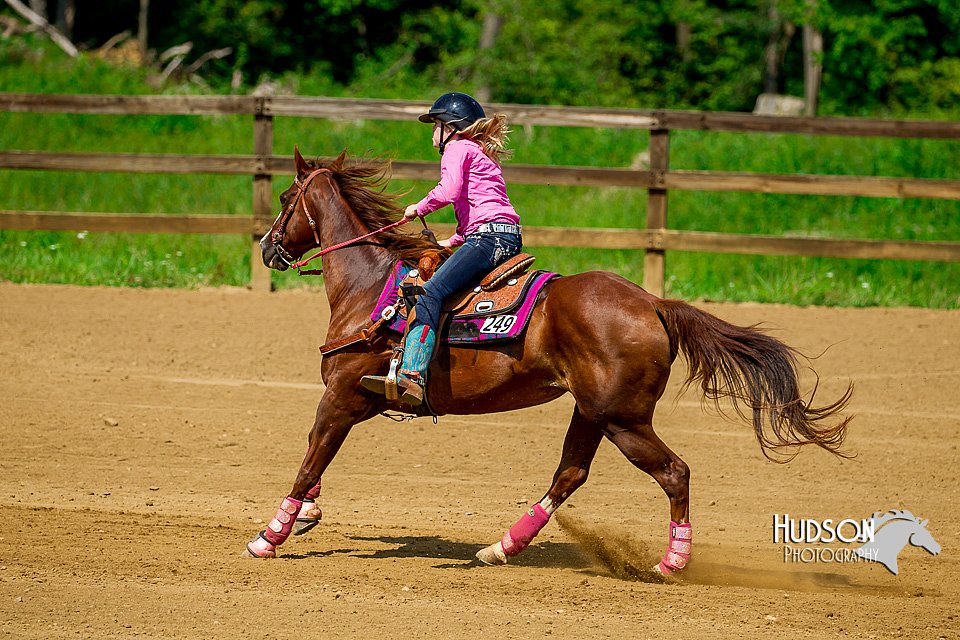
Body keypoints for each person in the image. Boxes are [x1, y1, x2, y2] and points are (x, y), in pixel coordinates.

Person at [361, 91, 522, 406]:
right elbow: (481, 208)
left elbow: (449, 191)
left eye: (435, 125)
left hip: (487, 238)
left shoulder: (457, 147)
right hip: (507, 236)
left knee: (430, 293)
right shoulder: (481, 152)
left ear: (451, 126)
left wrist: (418, 208)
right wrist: (451, 243)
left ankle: (411, 374)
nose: (433, 133)